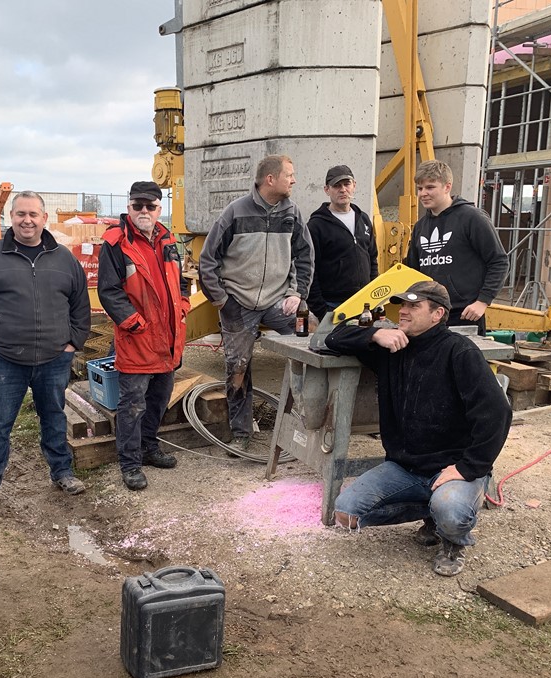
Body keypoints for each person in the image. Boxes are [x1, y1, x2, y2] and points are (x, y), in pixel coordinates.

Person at [325, 281, 512, 576]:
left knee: (451, 510)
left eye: (414, 306)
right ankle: (432, 513)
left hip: (451, 467)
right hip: (405, 468)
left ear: (437, 314)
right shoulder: (392, 347)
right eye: (403, 305)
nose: (403, 311)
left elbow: (497, 412)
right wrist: (375, 334)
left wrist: (467, 467)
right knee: (346, 512)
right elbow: (333, 337)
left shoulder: (459, 351)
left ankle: (452, 539)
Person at [0, 191, 91, 508]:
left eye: (33, 214)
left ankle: (62, 472)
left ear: (44, 218)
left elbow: (80, 306)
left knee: (54, 418)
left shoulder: (64, 259)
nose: (27, 220)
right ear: (11, 217)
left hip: (54, 358)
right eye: (21, 214)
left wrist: (72, 344)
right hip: (5, 360)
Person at [198, 154, 314, 452]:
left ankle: (311, 422)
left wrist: (297, 294)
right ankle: (241, 433)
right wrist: (223, 300)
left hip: (278, 300)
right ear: (270, 179)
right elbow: (207, 261)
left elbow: (305, 255)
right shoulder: (235, 213)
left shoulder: (292, 213)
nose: (294, 180)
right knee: (238, 367)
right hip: (238, 302)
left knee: (314, 339)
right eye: (289, 174)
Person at [97, 181, 190, 490]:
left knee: (159, 399)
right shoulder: (116, 243)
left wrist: (184, 305)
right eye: (138, 205)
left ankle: (149, 447)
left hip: (168, 339)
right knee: (132, 404)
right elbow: (108, 291)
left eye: (150, 205)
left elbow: (182, 280)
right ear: (129, 208)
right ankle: (130, 463)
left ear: (159, 208)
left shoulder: (168, 239)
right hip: (137, 339)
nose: (144, 211)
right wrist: (134, 323)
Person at [403, 160, 509, 335]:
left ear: (447, 187)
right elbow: (414, 271)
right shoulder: (420, 226)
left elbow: (499, 261)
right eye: (420, 188)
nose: (423, 194)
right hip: (429, 316)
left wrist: (483, 301)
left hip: (465, 314)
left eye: (430, 187)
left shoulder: (472, 218)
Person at [306, 165, 378, 321]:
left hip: (364, 306)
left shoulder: (364, 219)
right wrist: (321, 310)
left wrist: (373, 297)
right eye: (337, 186)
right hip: (333, 306)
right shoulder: (316, 226)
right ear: (327, 190)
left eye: (347, 184)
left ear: (354, 186)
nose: (343, 190)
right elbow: (310, 269)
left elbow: (372, 259)